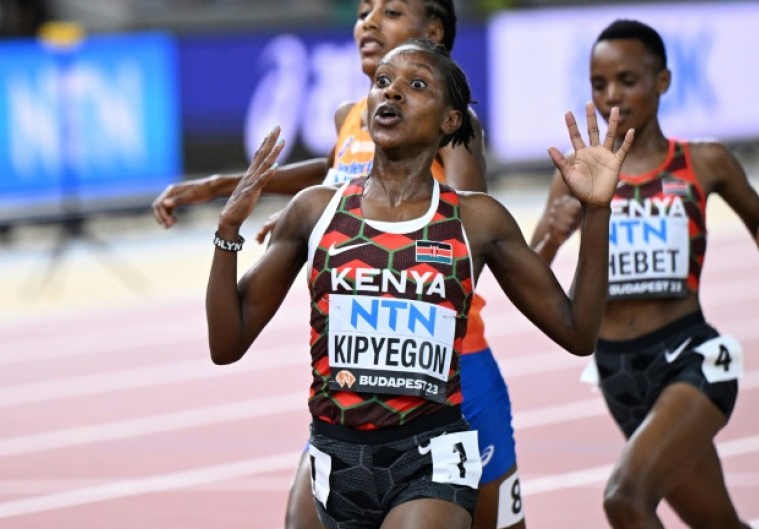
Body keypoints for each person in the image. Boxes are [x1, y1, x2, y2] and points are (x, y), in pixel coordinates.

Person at [207, 39, 632, 529]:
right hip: (335, 459)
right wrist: (226, 233)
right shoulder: (315, 210)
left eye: (416, 86)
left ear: (450, 120)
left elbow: (577, 333)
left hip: (431, 457)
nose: (391, 94)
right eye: (382, 83)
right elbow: (227, 343)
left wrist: (596, 211)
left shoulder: (476, 220)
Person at [152, 3, 527, 529]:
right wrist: (232, 189)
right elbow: (336, 179)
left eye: (390, 11)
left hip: (454, 361)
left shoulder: (448, 127)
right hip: (358, 382)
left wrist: (392, 257)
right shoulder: (353, 115)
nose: (368, 23)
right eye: (362, 11)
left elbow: (468, 221)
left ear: (433, 32)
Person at [529, 20, 759, 529]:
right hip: (617, 372)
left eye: (627, 80)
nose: (612, 96)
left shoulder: (705, 161)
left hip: (691, 359)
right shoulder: (576, 178)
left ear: (663, 81)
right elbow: (530, 277)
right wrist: (553, 235)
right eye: (599, 83)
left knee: (625, 498)